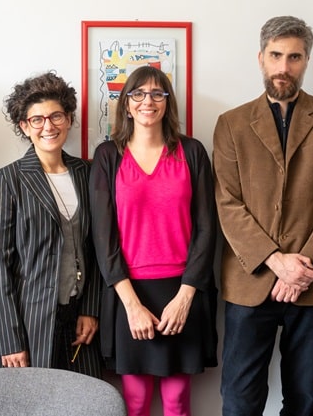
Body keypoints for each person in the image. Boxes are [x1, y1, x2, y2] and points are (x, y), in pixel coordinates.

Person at [213, 15, 313, 416]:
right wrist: (277, 262)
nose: (284, 67)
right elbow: (227, 203)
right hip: (250, 280)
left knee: (303, 401)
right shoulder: (231, 123)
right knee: (239, 402)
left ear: (307, 60)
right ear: (260, 58)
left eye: (294, 57)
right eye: (276, 55)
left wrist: (301, 267)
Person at [90, 65, 218, 416]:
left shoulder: (192, 152)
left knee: (177, 401)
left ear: (167, 102)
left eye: (157, 93)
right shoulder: (108, 156)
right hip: (129, 293)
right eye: (139, 93)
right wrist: (132, 306)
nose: (148, 101)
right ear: (127, 104)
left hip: (182, 291)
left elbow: (207, 228)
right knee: (135, 401)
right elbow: (103, 236)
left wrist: (185, 297)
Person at [0, 71, 102, 377]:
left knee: (84, 397)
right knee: (32, 399)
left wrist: (91, 309)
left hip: (79, 319)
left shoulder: (87, 173)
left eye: (56, 116)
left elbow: (96, 247)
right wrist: (10, 338)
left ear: (69, 119)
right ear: (25, 126)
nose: (48, 126)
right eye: (37, 119)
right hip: (29, 322)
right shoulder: (9, 179)